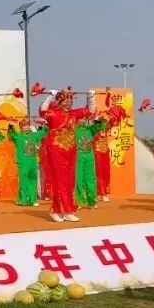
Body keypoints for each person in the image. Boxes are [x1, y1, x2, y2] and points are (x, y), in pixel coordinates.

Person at [38, 88, 95, 222]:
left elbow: (91, 112)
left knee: (69, 182)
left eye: (70, 101)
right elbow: (42, 111)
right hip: (56, 151)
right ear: (59, 101)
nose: (68, 103)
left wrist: (91, 98)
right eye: (65, 101)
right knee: (60, 182)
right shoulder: (53, 113)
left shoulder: (74, 114)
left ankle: (68, 211)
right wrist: (49, 97)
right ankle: (56, 210)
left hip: (70, 152)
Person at [7, 118, 47, 207]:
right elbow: (11, 134)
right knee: (24, 180)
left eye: (28, 125)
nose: (26, 127)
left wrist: (45, 124)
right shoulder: (18, 136)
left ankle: (33, 200)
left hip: (33, 162)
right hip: (22, 162)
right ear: (21, 127)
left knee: (33, 180)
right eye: (24, 126)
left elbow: (43, 133)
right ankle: (23, 200)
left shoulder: (33, 135)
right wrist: (10, 126)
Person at [74, 114, 108, 210]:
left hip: (89, 156)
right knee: (78, 179)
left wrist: (97, 120)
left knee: (90, 179)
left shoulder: (90, 129)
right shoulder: (74, 130)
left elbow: (102, 126)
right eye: (81, 118)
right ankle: (79, 201)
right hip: (78, 156)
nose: (83, 120)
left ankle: (92, 201)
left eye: (85, 118)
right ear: (77, 120)